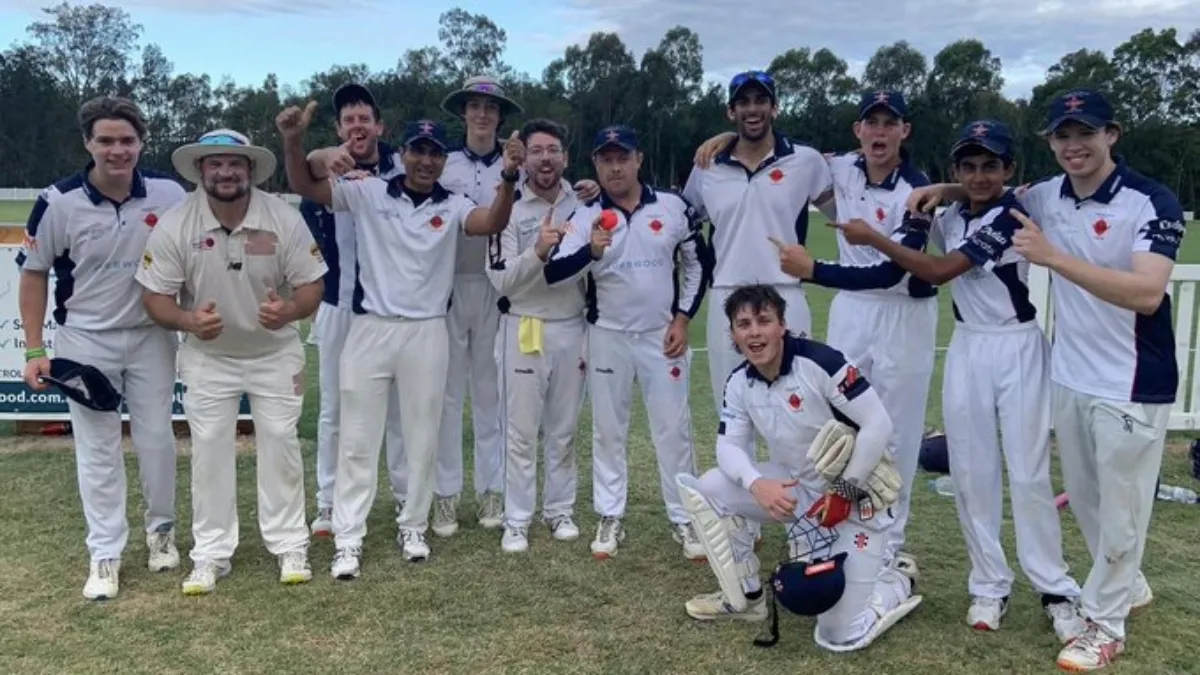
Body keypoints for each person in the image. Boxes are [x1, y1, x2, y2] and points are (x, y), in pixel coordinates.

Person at [908, 90, 1178, 671]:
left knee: (1118, 509)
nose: (1073, 144)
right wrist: (950, 189)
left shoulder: (1151, 200)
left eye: (1086, 132)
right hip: (1070, 374)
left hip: (1131, 378)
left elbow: (1149, 293)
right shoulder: (1047, 196)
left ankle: (1103, 624)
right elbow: (989, 191)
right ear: (1050, 143)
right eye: (1062, 135)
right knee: (1085, 502)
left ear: (1113, 134)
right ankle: (1123, 586)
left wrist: (1053, 259)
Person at [835, 119, 1086, 642]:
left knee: (1027, 472)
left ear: (1008, 168)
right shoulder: (949, 214)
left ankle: (1055, 588)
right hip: (968, 346)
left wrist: (874, 238)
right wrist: (943, 191)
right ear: (955, 170)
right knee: (972, 472)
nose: (979, 175)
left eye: (989, 165)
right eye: (968, 166)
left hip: (1017, 346)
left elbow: (939, 270)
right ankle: (988, 584)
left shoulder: (1013, 212)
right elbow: (956, 202)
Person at [694, 91, 936, 568]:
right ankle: (816, 520)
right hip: (851, 309)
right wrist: (732, 136)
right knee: (830, 423)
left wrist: (813, 270)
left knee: (896, 433)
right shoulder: (837, 166)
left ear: (906, 130)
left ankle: (890, 543)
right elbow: (768, 144)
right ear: (858, 130)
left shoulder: (918, 188)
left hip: (903, 311)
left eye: (891, 124)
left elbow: (892, 272)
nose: (880, 133)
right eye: (872, 124)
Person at [278, 102, 518, 576]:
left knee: (421, 435)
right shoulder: (367, 192)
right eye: (417, 151)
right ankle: (349, 536)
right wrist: (292, 141)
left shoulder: (453, 205)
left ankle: (414, 524)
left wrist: (509, 178)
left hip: (428, 330)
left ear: (443, 159)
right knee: (358, 437)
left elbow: (492, 224)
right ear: (402, 154)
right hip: (371, 328)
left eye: (434, 152)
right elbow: (304, 186)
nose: (426, 161)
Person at [677, 284, 920, 653]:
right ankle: (746, 595)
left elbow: (879, 424)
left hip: (857, 499)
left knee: (838, 634)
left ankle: (896, 579)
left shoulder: (820, 362)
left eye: (763, 321)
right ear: (733, 334)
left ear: (782, 325)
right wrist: (757, 483)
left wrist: (846, 489)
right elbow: (728, 446)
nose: (754, 332)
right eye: (743, 324)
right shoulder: (740, 382)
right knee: (711, 486)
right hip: (804, 493)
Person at [137, 128, 327, 595]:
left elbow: (312, 286)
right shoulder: (177, 224)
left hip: (273, 353)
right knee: (209, 451)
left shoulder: (281, 218)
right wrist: (187, 320)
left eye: (235, 164)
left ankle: (288, 544)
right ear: (201, 170)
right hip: (209, 358)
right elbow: (154, 296)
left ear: (250, 170)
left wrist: (291, 310)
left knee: (281, 443)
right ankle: (211, 554)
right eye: (215, 164)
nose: (225, 172)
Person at [17, 96, 185, 601]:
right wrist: (32, 350)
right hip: (85, 340)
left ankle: (162, 533)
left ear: (142, 142)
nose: (118, 150)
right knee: (97, 448)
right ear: (87, 143)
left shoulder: (169, 193)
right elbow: (33, 272)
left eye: (127, 140)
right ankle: (105, 552)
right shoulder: (59, 201)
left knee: (157, 438)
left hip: (152, 335)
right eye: (106, 140)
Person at [544, 125, 711, 560]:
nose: (615, 166)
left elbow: (698, 263)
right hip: (606, 337)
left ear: (638, 159)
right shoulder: (584, 217)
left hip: (662, 337)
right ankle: (609, 514)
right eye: (605, 159)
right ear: (596, 164)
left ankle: (685, 518)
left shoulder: (673, 206)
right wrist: (592, 252)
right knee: (608, 430)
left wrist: (683, 318)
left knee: (673, 430)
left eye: (623, 157)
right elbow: (555, 272)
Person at [681, 70, 836, 415]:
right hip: (726, 295)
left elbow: (846, 205)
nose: (753, 110)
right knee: (733, 410)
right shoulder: (707, 165)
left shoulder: (805, 160)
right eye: (744, 102)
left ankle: (797, 473)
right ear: (731, 111)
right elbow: (683, 219)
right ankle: (740, 472)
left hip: (786, 294)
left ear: (774, 107)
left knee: (801, 408)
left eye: (761, 101)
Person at [298, 83, 408, 537]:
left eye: (365, 118)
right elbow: (304, 174)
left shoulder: (404, 169)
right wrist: (320, 155)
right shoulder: (326, 171)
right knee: (335, 411)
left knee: (400, 410)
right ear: (339, 128)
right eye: (349, 120)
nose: (358, 126)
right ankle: (328, 501)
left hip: (393, 309)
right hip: (339, 305)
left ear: (379, 126)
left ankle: (406, 496)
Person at [484, 118, 587, 553]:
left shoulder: (582, 206)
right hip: (523, 327)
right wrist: (538, 251)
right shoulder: (506, 207)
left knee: (563, 430)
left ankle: (559, 508)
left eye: (553, 149)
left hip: (572, 327)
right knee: (521, 430)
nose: (546, 158)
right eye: (537, 150)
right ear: (523, 156)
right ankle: (517, 518)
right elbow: (500, 279)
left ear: (565, 157)